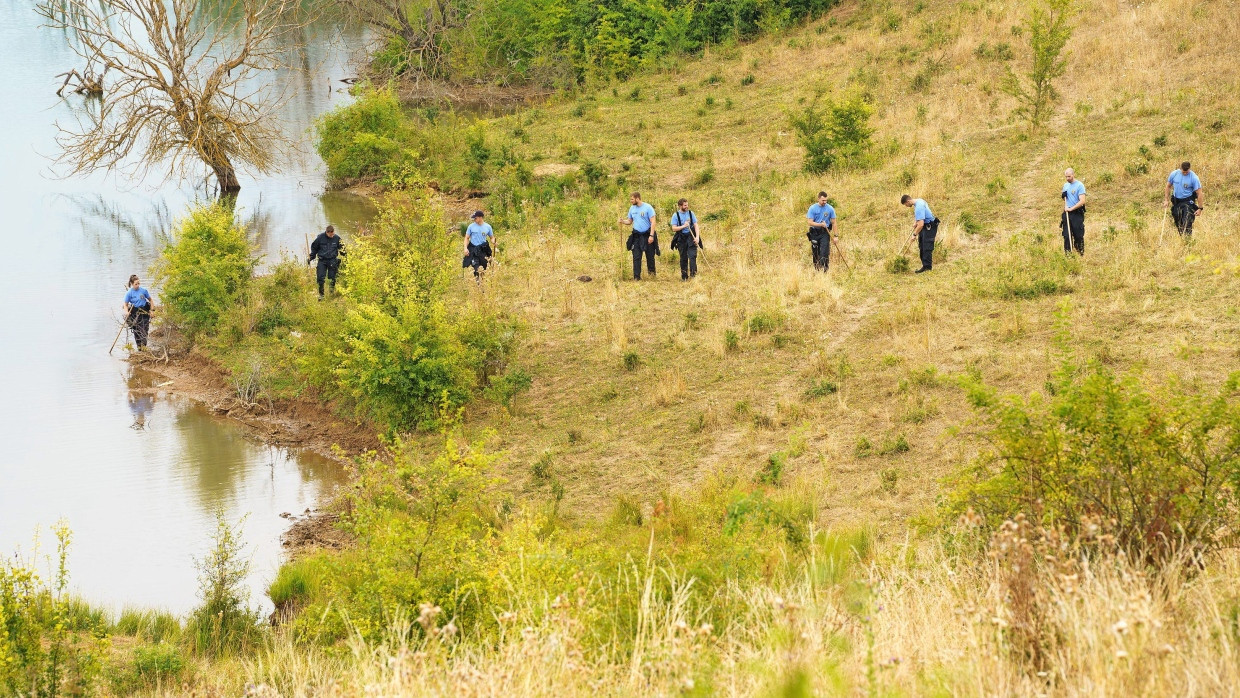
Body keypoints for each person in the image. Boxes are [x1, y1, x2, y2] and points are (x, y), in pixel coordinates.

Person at [619, 192, 658, 280]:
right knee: (636, 256)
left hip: (647, 235)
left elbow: (653, 222)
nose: (631, 201)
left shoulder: (648, 207)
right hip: (636, 236)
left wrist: (651, 235)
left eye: (632, 199)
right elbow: (629, 221)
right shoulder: (632, 208)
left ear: (637, 198)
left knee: (650, 256)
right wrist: (622, 221)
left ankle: (652, 276)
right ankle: (637, 277)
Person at [900, 194, 939, 273]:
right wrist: (915, 222)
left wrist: (914, 234)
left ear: (908, 201)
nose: (906, 206)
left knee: (926, 247)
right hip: (925, 226)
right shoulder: (919, 201)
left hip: (929, 226)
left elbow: (920, 224)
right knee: (921, 245)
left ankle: (927, 268)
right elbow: (921, 216)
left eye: (905, 205)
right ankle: (925, 266)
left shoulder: (919, 207)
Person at [1165, 161, 1203, 238]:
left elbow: (1199, 193)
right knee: (1179, 223)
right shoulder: (1174, 174)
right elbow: (1168, 186)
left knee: (1187, 222)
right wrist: (1166, 200)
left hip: (1188, 202)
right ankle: (1182, 240)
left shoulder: (1194, 178)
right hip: (1176, 202)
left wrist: (1200, 208)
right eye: (1183, 172)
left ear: (1189, 169)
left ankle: (1188, 242)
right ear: (1180, 168)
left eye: (1187, 172)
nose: (1185, 173)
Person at [307, 224, 345, 299]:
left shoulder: (337, 238)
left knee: (332, 278)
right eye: (331, 235)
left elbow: (342, 249)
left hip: (332, 260)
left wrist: (345, 258)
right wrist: (311, 257)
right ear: (327, 232)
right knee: (320, 278)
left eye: (333, 234)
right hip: (322, 261)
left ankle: (331, 293)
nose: (332, 236)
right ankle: (321, 295)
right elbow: (314, 248)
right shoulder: (320, 238)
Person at [805, 192, 838, 272]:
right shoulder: (812, 208)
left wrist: (836, 236)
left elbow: (834, 222)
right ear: (818, 199)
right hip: (814, 233)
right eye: (823, 200)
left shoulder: (830, 209)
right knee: (815, 252)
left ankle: (825, 270)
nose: (825, 202)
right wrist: (820, 224)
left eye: (826, 200)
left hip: (825, 233)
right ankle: (817, 269)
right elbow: (810, 222)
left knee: (824, 251)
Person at [669, 198, 701, 281]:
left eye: (687, 205)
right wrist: (683, 226)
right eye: (685, 205)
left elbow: (696, 225)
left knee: (692, 256)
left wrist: (697, 237)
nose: (687, 207)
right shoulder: (675, 215)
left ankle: (693, 275)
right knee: (683, 257)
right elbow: (674, 228)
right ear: (680, 206)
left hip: (691, 237)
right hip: (681, 238)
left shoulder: (691, 213)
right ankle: (684, 276)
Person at [123, 274, 153, 350]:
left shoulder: (144, 290)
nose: (137, 285)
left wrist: (152, 311)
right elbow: (125, 304)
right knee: (137, 332)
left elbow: (150, 300)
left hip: (144, 313)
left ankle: (144, 348)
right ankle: (139, 348)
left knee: (144, 330)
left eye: (138, 283)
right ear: (132, 284)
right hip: (135, 315)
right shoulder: (129, 293)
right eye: (136, 284)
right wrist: (126, 312)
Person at [1061, 168, 1087, 256]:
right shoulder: (1065, 186)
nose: (1067, 178)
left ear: (1073, 175)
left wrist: (1072, 208)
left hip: (1076, 213)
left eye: (1069, 176)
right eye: (1066, 177)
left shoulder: (1080, 185)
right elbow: (1066, 199)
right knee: (1067, 235)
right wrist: (1063, 197)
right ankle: (1068, 255)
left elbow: (1082, 201)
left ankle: (1080, 253)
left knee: (1078, 235)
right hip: (1067, 213)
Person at [463, 210, 495, 280]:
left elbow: (491, 237)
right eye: (474, 218)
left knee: (484, 267)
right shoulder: (471, 227)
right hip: (473, 249)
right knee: (476, 267)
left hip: (483, 249)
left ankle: (482, 281)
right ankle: (478, 283)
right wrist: (465, 248)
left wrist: (494, 242)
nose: (474, 220)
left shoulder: (488, 227)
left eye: (475, 218)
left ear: (481, 217)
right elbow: (467, 238)